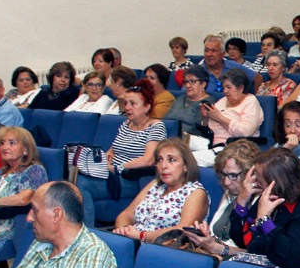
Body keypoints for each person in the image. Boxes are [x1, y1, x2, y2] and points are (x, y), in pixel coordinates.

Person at [187, 148, 300, 268]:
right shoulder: (270, 197)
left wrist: (264, 220)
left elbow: (294, 260)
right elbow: (246, 243)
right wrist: (241, 203)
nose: (255, 183)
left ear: (277, 183)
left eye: (260, 179)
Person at [76, 79, 167, 227]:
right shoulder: (126, 124)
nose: (128, 107)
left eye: (133, 104)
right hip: (112, 175)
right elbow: (112, 151)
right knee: (74, 179)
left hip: (133, 179)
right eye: (126, 103)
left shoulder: (156, 127)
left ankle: (87, 234)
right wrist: (99, 164)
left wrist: (119, 167)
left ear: (146, 107)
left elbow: (148, 160)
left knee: (81, 184)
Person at [111, 138, 207, 243]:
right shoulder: (155, 185)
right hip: (133, 241)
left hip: (162, 248)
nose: (163, 166)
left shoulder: (195, 192)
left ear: (185, 166)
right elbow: (126, 215)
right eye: (159, 160)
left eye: (171, 160)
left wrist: (142, 235)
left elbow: (181, 231)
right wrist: (124, 229)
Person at [0, 127, 47, 257]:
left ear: (26, 149)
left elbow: (24, 199)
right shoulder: (1, 172)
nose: (5, 147)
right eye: (2, 143)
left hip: (8, 225)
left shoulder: (34, 170)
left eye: (11, 143)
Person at [203, 140, 260, 248]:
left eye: (233, 175)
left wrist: (241, 203)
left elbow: (252, 249)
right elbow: (213, 232)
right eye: (224, 175)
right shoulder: (229, 193)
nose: (226, 182)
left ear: (251, 173)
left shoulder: (261, 201)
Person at [163, 65, 215, 137]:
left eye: (192, 81)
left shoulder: (206, 103)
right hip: (168, 136)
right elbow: (165, 120)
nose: (187, 85)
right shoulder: (180, 99)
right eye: (186, 82)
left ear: (203, 84)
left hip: (187, 139)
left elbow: (199, 129)